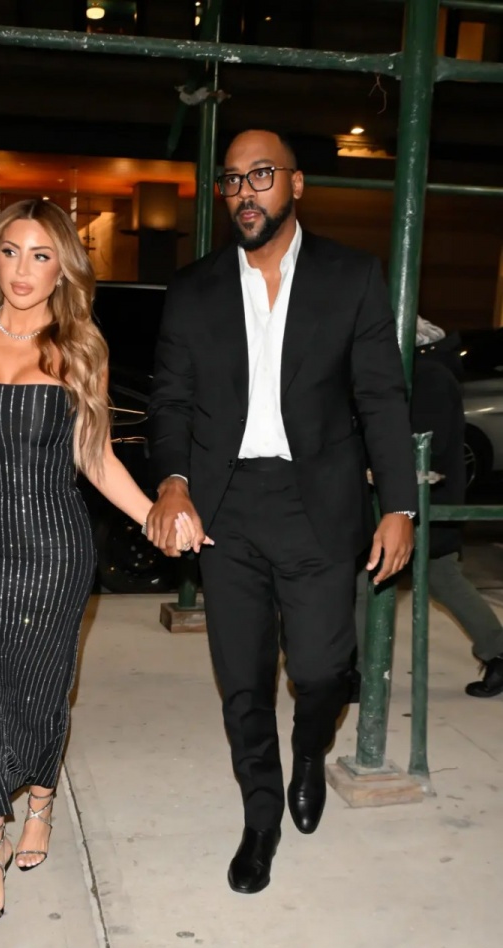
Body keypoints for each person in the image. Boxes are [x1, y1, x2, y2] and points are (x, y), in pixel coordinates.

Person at [0, 199, 199, 927]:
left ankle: (41, 799)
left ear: (62, 267)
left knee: (41, 689)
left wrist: (156, 515)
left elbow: (94, 458)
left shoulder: (79, 347)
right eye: (11, 252)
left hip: (51, 545)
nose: (23, 270)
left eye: (41, 256)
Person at [145, 129, 417, 895]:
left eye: (261, 175)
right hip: (225, 509)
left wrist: (398, 504)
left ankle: (308, 748)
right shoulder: (193, 288)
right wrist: (172, 482)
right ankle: (260, 817)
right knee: (243, 678)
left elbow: (381, 397)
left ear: (296, 184)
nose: (245, 192)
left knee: (324, 669)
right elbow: (170, 401)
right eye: (232, 180)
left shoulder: (350, 276)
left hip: (317, 502)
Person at [354, 319, 503, 699]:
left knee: (372, 578)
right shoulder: (422, 372)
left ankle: (358, 673)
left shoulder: (429, 376)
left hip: (425, 502)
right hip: (418, 501)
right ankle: (498, 652)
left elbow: (426, 447)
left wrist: (379, 465)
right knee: (434, 578)